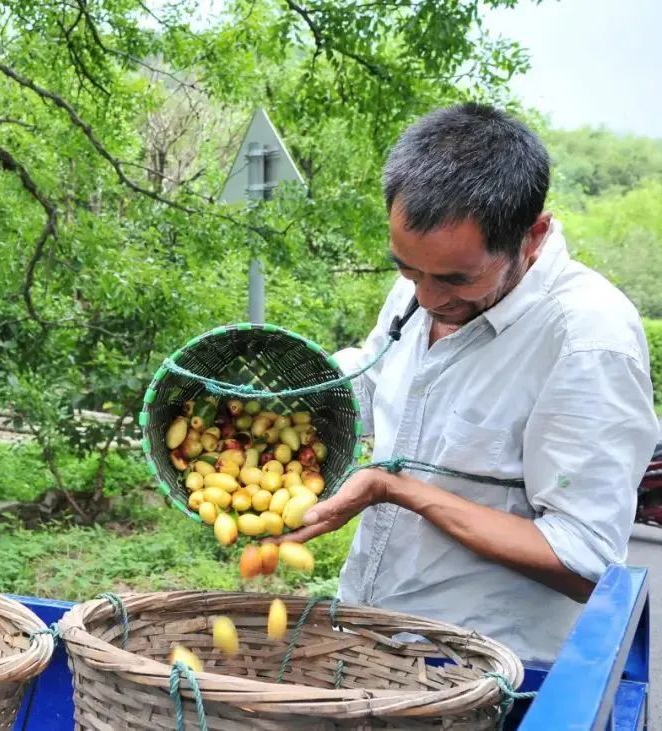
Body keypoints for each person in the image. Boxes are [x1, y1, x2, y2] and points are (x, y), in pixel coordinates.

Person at [280, 103, 658, 663]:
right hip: (371, 642)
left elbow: (585, 562)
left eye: (456, 278)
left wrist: (396, 489)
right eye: (408, 270)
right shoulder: (426, 286)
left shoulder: (587, 339)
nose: (428, 297)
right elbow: (377, 376)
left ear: (532, 236)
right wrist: (286, 403)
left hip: (489, 672)